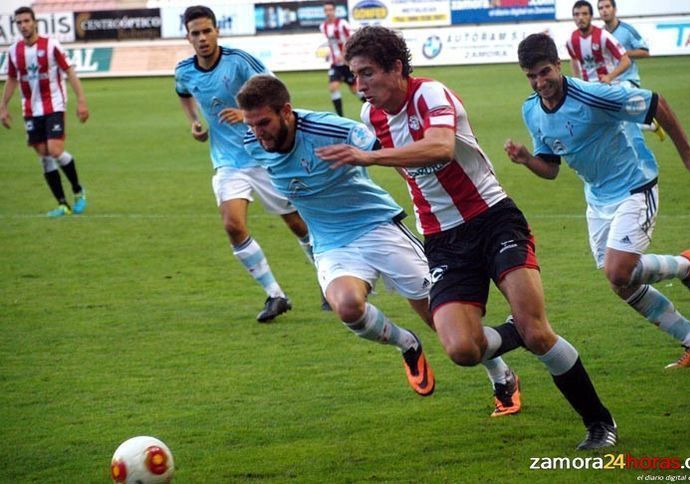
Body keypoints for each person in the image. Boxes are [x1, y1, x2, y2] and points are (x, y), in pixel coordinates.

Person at [316, 25, 617, 450]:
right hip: (442, 239)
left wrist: (371, 156)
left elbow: (440, 147)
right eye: (354, 74)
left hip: (493, 219)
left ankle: (598, 422)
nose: (358, 84)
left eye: (366, 73)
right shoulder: (371, 117)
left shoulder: (431, 95)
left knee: (538, 333)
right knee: (462, 349)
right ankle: (514, 332)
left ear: (396, 68)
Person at [237, 74, 524, 414]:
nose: (258, 132)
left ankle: (501, 375)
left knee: (443, 321)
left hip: (378, 227)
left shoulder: (330, 129)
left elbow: (389, 150)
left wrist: (429, 195)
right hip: (331, 242)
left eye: (264, 123)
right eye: (251, 124)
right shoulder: (251, 141)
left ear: (286, 111)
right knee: (346, 306)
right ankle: (407, 344)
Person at [505, 33, 690, 371]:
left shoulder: (592, 95)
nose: (539, 82)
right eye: (531, 76)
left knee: (618, 271)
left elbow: (656, 103)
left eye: (545, 72)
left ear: (557, 65)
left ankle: (685, 266)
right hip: (598, 198)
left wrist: (687, 151)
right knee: (621, 284)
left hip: (635, 185)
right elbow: (550, 169)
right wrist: (527, 159)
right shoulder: (532, 110)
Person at [175, 5, 317, 323]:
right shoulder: (184, 70)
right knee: (232, 225)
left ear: (217, 31)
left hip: (264, 155)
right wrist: (194, 122)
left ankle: (328, 279)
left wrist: (245, 114)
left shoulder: (239, 61)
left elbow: (276, 92)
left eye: (207, 31)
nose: (202, 38)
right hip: (227, 162)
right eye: (195, 33)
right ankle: (275, 295)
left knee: (297, 224)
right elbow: (183, 93)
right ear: (188, 37)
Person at [0, 6, 88, 218]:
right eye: (19, 22)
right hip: (30, 109)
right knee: (43, 156)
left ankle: (78, 190)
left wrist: (81, 101)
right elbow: (12, 79)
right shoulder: (14, 51)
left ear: (34, 22)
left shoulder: (51, 46)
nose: (23, 25)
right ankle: (62, 204)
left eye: (26, 21)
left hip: (54, 104)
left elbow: (69, 71)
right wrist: (3, 106)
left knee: (55, 150)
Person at [597, 0, 666, 140]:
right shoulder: (600, 34)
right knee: (611, 118)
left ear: (614, 9)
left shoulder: (627, 30)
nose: (604, 10)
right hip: (610, 81)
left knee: (621, 119)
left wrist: (622, 53)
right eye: (601, 8)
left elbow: (645, 51)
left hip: (628, 80)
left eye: (607, 7)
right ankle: (650, 124)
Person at [566, 0, 630, 85]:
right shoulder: (571, 40)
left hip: (609, 86)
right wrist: (577, 82)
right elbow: (574, 60)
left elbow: (626, 61)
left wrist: (609, 77)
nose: (580, 18)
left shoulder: (603, 36)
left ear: (591, 16)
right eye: (577, 14)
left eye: (584, 14)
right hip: (588, 88)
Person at [319, 1, 362, 117]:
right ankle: (340, 117)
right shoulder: (323, 26)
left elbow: (350, 41)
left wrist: (343, 55)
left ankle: (373, 108)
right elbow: (331, 42)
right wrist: (330, 53)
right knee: (333, 87)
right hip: (335, 64)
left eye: (330, 10)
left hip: (347, 63)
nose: (328, 12)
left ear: (334, 10)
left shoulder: (342, 24)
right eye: (326, 10)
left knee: (355, 90)